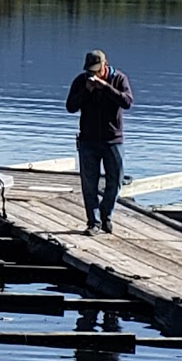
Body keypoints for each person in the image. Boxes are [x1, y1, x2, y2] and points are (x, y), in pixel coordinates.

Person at [65, 49, 134, 236]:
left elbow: (127, 102)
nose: (93, 74)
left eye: (96, 70)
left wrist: (106, 87)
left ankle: (106, 216)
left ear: (105, 65)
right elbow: (70, 106)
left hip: (113, 141)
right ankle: (93, 222)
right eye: (90, 71)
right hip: (88, 141)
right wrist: (86, 91)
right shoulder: (81, 81)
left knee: (116, 180)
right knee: (89, 184)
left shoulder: (119, 79)